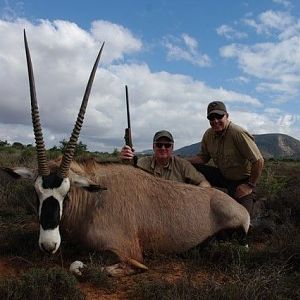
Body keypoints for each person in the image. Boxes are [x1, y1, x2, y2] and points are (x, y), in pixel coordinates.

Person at [188, 101, 264, 217]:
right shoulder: (209, 134)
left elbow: (258, 161)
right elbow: (203, 158)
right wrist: (182, 162)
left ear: (227, 116)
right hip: (223, 176)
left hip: (242, 181)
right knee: (190, 167)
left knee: (241, 219)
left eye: (219, 116)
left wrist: (249, 186)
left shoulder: (238, 133)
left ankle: (253, 201)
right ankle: (189, 198)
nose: (215, 121)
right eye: (211, 118)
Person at [120, 130, 210, 188]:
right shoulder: (142, 163)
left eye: (167, 145)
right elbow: (126, 177)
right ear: (153, 147)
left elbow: (204, 183)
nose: (163, 148)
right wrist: (125, 160)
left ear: (172, 147)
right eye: (159, 145)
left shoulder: (183, 165)